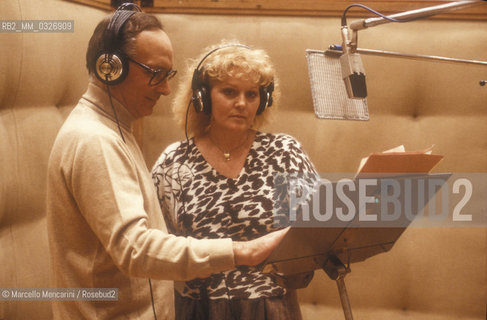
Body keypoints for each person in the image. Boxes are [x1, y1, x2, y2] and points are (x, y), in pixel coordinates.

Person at [46, 6, 287, 320]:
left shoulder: (113, 130)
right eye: (155, 73)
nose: (165, 88)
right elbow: (138, 249)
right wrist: (245, 251)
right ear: (110, 67)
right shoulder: (96, 140)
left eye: (168, 75)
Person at [152, 42, 318, 320]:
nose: (241, 103)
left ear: (263, 101)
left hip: (273, 307)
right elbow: (157, 250)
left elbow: (314, 238)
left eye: (251, 94)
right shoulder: (173, 163)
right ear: (203, 97)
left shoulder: (285, 153)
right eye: (229, 92)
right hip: (198, 309)